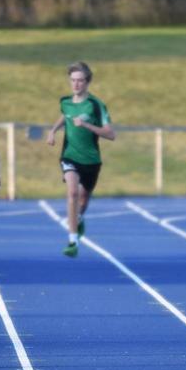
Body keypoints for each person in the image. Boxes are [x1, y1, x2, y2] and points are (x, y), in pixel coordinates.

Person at [45, 61, 115, 257]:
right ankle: (72, 240)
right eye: (73, 80)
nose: (76, 84)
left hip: (91, 160)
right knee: (73, 193)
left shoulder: (96, 105)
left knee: (83, 200)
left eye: (80, 81)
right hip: (69, 156)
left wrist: (86, 125)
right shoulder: (65, 102)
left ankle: (79, 218)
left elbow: (110, 134)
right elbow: (64, 115)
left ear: (87, 82)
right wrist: (52, 132)